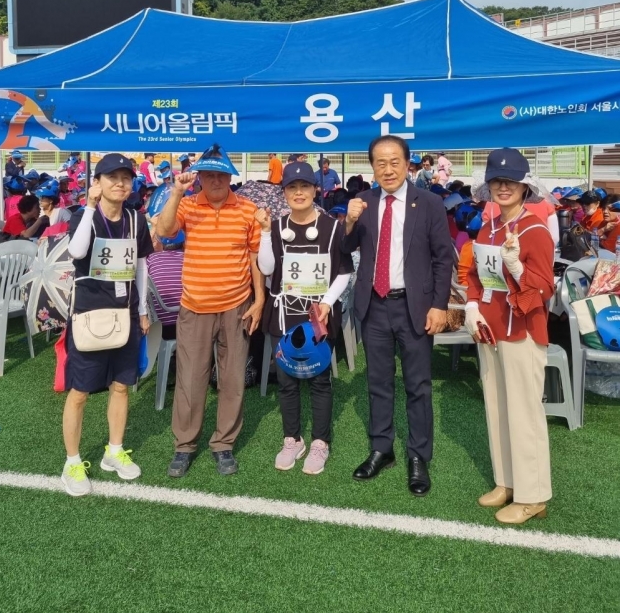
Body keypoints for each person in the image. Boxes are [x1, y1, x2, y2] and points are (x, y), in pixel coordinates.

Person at [341, 135, 453, 494]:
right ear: (371, 166)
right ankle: (381, 448)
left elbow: (442, 258)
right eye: (380, 163)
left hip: (415, 306)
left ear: (408, 164)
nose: (387, 169)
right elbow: (345, 251)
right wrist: (348, 222)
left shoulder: (430, 203)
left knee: (418, 385)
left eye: (394, 162)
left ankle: (419, 456)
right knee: (378, 382)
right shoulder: (363, 202)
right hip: (373, 305)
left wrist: (439, 305)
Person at [156, 144, 264, 478]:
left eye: (221, 175)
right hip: (195, 306)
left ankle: (224, 444)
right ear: (199, 177)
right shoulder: (187, 205)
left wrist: (258, 300)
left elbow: (254, 257)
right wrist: (176, 191)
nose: (216, 181)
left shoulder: (248, 210)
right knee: (190, 379)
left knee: (232, 380)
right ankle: (184, 445)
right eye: (209, 175)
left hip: (237, 306)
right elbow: (164, 231)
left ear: (231, 177)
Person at [465, 148, 554, 525]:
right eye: (497, 181)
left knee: (524, 413)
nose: (503, 187)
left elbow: (545, 289)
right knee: (497, 407)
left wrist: (517, 266)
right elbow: (473, 275)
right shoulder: (489, 227)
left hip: (523, 331)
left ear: (524, 186)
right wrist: (471, 308)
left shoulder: (534, 229)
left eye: (510, 181)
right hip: (491, 328)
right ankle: (508, 481)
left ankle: (533, 495)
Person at [61, 153, 153, 497]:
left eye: (125, 178)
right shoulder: (83, 217)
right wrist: (88, 207)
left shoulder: (136, 220)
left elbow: (141, 267)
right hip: (89, 314)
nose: (119, 183)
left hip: (126, 313)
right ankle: (72, 460)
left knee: (121, 385)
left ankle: (114, 451)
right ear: (97, 183)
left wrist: (143, 309)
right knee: (81, 392)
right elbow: (76, 250)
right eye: (110, 177)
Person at [256, 161, 353, 474]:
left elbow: (344, 272)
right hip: (283, 316)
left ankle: (320, 442)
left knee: (320, 381)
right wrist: (262, 232)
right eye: (292, 187)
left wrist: (326, 302)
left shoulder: (333, 227)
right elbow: (268, 269)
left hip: (318, 316)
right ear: (284, 192)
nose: (299, 193)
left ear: (315, 190)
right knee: (286, 381)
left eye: (305, 187)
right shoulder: (275, 227)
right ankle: (292, 438)